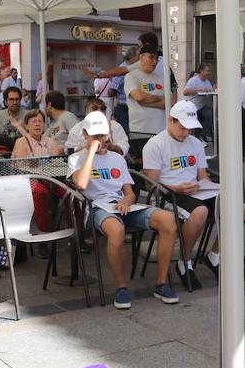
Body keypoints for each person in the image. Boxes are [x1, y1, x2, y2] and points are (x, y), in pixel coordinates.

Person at [70, 111, 179, 309]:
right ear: (84, 134)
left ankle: (161, 283)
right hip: (96, 207)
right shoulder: (77, 158)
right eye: (94, 135)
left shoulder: (117, 159)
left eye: (102, 135)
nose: (99, 139)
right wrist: (91, 153)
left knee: (168, 219)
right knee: (116, 230)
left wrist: (126, 202)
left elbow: (129, 193)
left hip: (121, 206)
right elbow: (82, 184)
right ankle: (121, 287)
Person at [143, 102, 214, 291]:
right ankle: (185, 261)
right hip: (167, 194)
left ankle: (214, 256)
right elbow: (151, 184)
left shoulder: (196, 143)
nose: (186, 133)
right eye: (182, 127)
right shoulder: (156, 144)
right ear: (170, 120)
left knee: (237, 207)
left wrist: (211, 187)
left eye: (190, 129)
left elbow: (203, 175)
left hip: (194, 191)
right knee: (200, 212)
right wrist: (176, 188)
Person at [124, 43, 168, 160]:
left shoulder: (163, 77)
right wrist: (159, 98)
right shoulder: (131, 76)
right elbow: (139, 97)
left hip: (161, 131)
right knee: (142, 167)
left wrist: (146, 100)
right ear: (141, 56)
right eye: (151, 57)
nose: (154, 61)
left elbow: (169, 103)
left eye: (157, 59)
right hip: (140, 132)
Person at [183, 63, 216, 136]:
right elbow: (185, 92)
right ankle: (197, 136)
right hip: (192, 106)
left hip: (202, 106)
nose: (209, 73)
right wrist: (198, 89)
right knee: (202, 116)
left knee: (210, 115)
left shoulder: (207, 82)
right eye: (208, 71)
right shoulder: (193, 80)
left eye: (209, 71)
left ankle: (201, 135)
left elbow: (210, 91)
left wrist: (212, 89)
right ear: (201, 71)